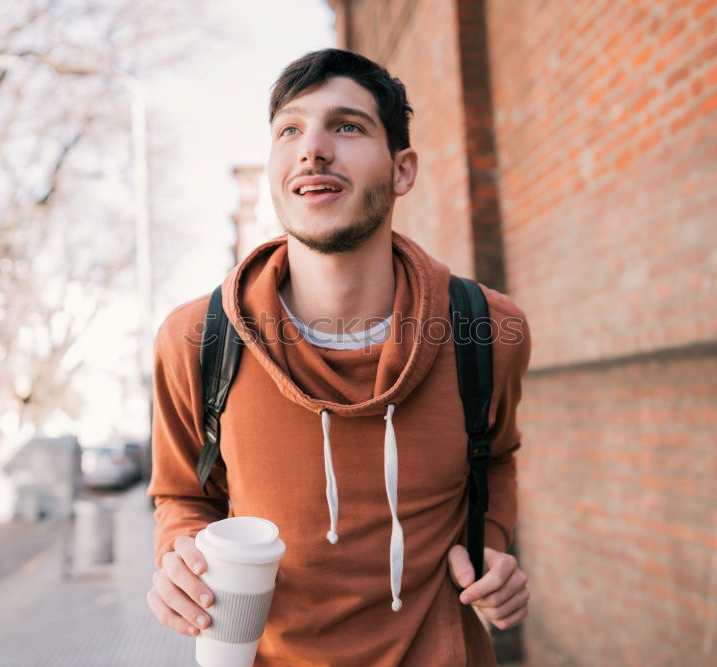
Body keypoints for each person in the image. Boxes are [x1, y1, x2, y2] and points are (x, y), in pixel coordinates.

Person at [146, 48, 532, 666]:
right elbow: (182, 495)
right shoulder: (196, 338)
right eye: (290, 129)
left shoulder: (486, 328)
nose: (313, 148)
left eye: (347, 127)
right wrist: (179, 556)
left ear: (403, 170)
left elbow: (499, 456)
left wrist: (487, 547)